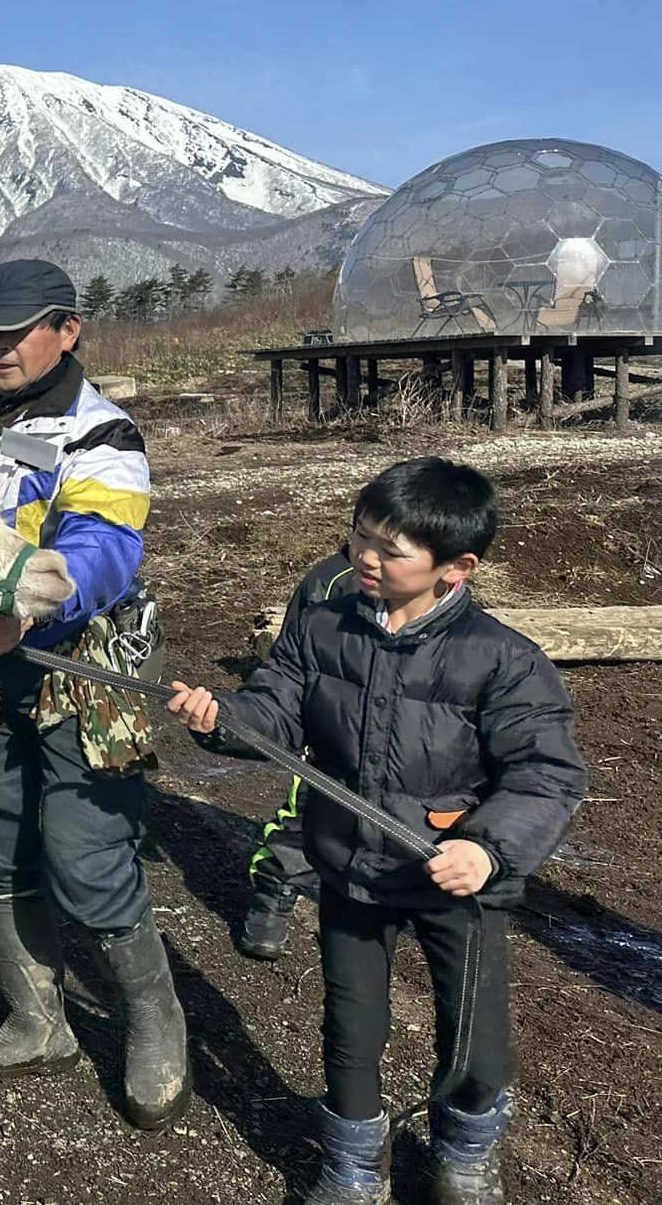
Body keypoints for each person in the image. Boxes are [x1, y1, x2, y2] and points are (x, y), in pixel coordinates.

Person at [170, 458, 587, 1205]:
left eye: (391, 550)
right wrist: (223, 719)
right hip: (350, 866)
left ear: (457, 567)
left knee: (474, 1033)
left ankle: (465, 1152)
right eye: (360, 536)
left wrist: (487, 849)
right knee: (351, 1025)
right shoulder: (321, 626)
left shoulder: (504, 660)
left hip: (454, 878)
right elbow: (275, 708)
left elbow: (546, 773)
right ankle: (354, 1165)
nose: (366, 557)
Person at [0, 258, 189, 1133]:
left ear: (67, 331)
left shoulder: (101, 433)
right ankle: (38, 1024)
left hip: (80, 664)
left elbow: (104, 547)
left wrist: (27, 608)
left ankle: (156, 1021)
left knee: (85, 847)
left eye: (17, 330)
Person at [236, 547, 354, 961]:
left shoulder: (430, 578)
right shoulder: (332, 581)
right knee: (307, 812)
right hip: (332, 729)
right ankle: (276, 888)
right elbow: (290, 663)